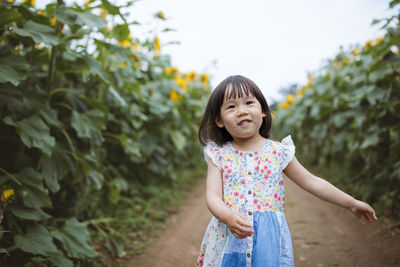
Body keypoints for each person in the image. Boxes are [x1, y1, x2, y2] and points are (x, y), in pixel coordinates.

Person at [195, 75, 378, 267]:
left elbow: (312, 182)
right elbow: (213, 197)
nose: (241, 111)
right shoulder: (219, 154)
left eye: (248, 102)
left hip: (269, 240)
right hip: (229, 233)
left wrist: (351, 202)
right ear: (219, 120)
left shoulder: (279, 151)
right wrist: (228, 216)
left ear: (264, 111)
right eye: (231, 107)